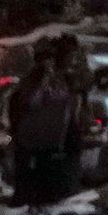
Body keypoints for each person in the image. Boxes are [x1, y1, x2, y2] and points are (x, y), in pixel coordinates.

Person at [9, 35, 86, 201]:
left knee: (51, 195)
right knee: (30, 194)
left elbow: (74, 109)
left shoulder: (67, 80)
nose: (74, 61)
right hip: (34, 146)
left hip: (53, 146)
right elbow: (30, 102)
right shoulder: (40, 77)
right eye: (71, 56)